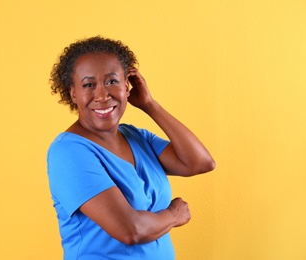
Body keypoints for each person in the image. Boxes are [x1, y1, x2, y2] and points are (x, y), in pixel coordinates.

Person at [47, 36, 215, 260]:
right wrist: (173, 216)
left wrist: (149, 105)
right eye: (89, 85)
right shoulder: (69, 152)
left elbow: (200, 163)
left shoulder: (137, 137)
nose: (102, 95)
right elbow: (130, 230)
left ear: (127, 86)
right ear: (73, 94)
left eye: (112, 81)